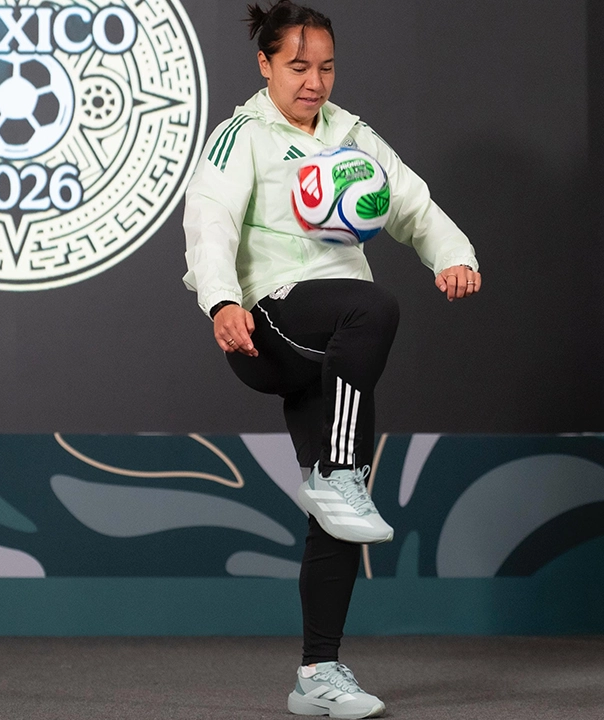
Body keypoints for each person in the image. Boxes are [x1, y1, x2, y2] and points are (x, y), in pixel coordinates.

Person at [182, 2, 481, 716]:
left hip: (337, 350)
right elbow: (209, 220)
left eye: (326, 66)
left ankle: (318, 673)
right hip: (268, 325)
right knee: (371, 305)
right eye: (298, 67)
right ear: (265, 64)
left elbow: (410, 202)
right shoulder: (242, 137)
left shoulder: (351, 136)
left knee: (341, 516)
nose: (314, 81)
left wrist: (455, 254)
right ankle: (338, 471)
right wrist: (222, 301)